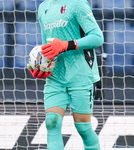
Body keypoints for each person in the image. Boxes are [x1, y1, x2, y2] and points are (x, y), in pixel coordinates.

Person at [28, 0, 104, 149]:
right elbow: (46, 45)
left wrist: (66, 45)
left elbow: (97, 37)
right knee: (52, 123)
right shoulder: (43, 7)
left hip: (81, 76)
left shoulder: (78, 4)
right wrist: (41, 65)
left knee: (83, 127)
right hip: (55, 77)